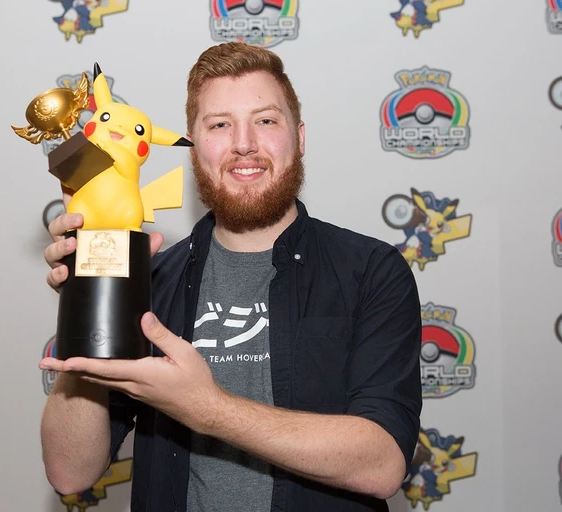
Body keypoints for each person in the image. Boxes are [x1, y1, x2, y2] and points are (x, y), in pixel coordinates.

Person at [39, 41, 422, 512]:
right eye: (219, 124)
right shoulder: (148, 281)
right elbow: (70, 471)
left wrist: (209, 409)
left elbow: (382, 465)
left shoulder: (371, 271)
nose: (244, 143)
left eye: (266, 121)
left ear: (300, 137)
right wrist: (87, 293)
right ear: (193, 145)